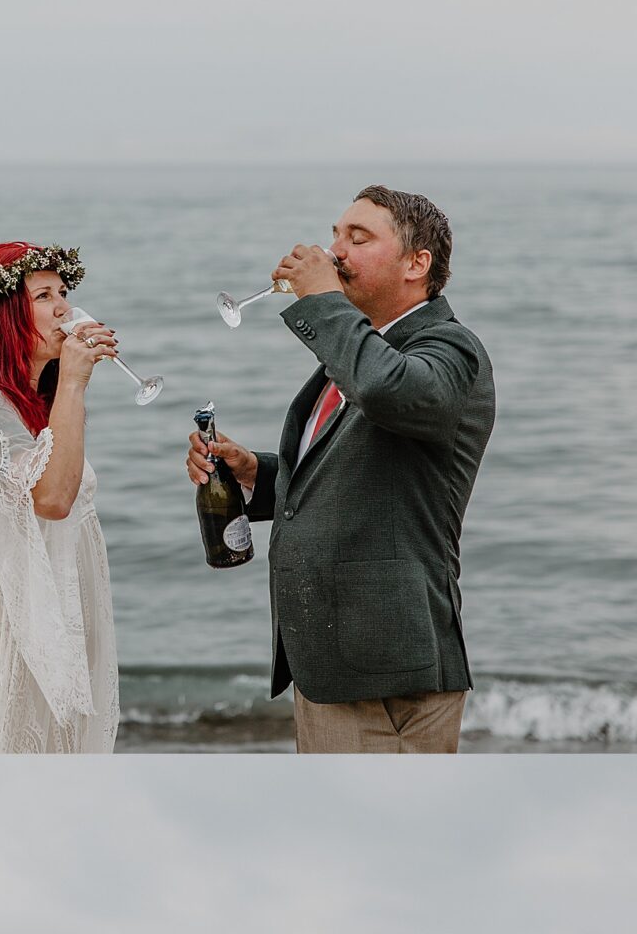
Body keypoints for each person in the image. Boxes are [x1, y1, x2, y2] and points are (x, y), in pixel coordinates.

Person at [187, 190, 496, 754]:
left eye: (359, 238)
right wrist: (254, 473)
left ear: (416, 263)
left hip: (390, 674)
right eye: (335, 235)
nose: (334, 252)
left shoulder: (450, 349)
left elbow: (384, 390)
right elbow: (347, 480)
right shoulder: (361, 352)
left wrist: (324, 299)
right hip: (330, 665)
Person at [0, 243, 120, 754]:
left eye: (64, 293)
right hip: (3, 627)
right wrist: (73, 382)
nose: (64, 308)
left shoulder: (39, 401)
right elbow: (51, 499)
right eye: (44, 296)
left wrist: (67, 390)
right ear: (2, 315)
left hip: (60, 618)